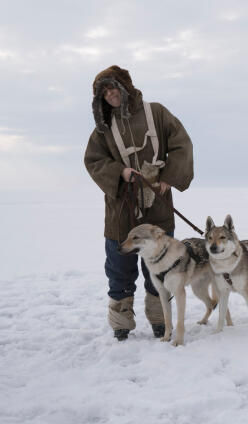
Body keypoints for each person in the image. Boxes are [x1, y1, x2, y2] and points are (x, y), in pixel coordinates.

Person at [84, 65, 194, 341]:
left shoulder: (156, 112)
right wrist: (119, 172)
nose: (110, 94)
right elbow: (93, 160)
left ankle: (160, 318)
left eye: (114, 88)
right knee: (119, 266)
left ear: (126, 88)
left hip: (157, 201)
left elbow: (182, 144)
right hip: (121, 206)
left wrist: (169, 177)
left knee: (162, 264)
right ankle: (121, 320)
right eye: (104, 92)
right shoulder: (102, 129)